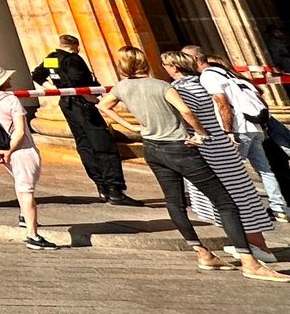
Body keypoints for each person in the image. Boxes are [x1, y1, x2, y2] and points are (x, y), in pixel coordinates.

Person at [99, 46, 285, 280]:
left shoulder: (121, 87)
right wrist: (202, 132)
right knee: (228, 201)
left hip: (153, 148)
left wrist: (134, 128)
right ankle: (249, 259)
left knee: (175, 202)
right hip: (183, 147)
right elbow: (187, 111)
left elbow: (103, 106)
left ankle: (202, 253)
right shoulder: (166, 86)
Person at [166, 50, 281, 270]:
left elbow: (217, 104)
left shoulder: (193, 83)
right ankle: (255, 244)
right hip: (222, 140)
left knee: (229, 195)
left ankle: (255, 247)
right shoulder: (212, 77)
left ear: (175, 66)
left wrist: (221, 131)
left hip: (212, 144)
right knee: (241, 189)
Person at [30, 34, 138, 205]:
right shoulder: (73, 60)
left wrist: (54, 89)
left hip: (67, 103)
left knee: (84, 144)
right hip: (82, 104)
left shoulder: (53, 58)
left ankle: (101, 187)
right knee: (103, 144)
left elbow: (38, 75)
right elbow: (78, 81)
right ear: (75, 46)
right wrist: (92, 98)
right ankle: (114, 189)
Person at [189, 46, 288, 219]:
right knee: (264, 169)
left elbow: (222, 102)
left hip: (239, 128)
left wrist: (228, 131)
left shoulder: (208, 76)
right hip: (254, 125)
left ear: (195, 60)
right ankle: (278, 207)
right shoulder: (227, 74)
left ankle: (240, 210)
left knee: (231, 169)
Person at [0, 64, 56, 250]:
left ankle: (25, 217)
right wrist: (10, 150)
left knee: (20, 184)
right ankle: (32, 235)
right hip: (21, 149)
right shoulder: (10, 99)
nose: (10, 79)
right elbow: (20, 131)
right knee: (27, 191)